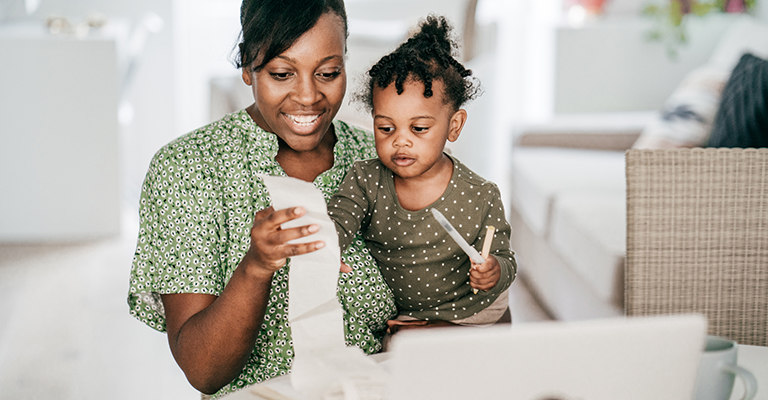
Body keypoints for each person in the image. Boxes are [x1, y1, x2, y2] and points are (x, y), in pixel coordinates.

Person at [126, 0, 397, 397]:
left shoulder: (379, 159)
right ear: (248, 70)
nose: (308, 96)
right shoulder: (189, 167)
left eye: (328, 72)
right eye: (282, 73)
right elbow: (204, 370)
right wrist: (256, 267)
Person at [327, 15, 516, 334]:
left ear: (453, 126)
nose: (400, 140)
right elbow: (338, 220)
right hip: (411, 315)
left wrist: (494, 270)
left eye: (419, 129)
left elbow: (504, 258)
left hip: (475, 311)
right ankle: (430, 333)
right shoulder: (366, 179)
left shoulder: (481, 194)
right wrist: (326, 249)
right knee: (401, 353)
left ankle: (439, 333)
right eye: (386, 128)